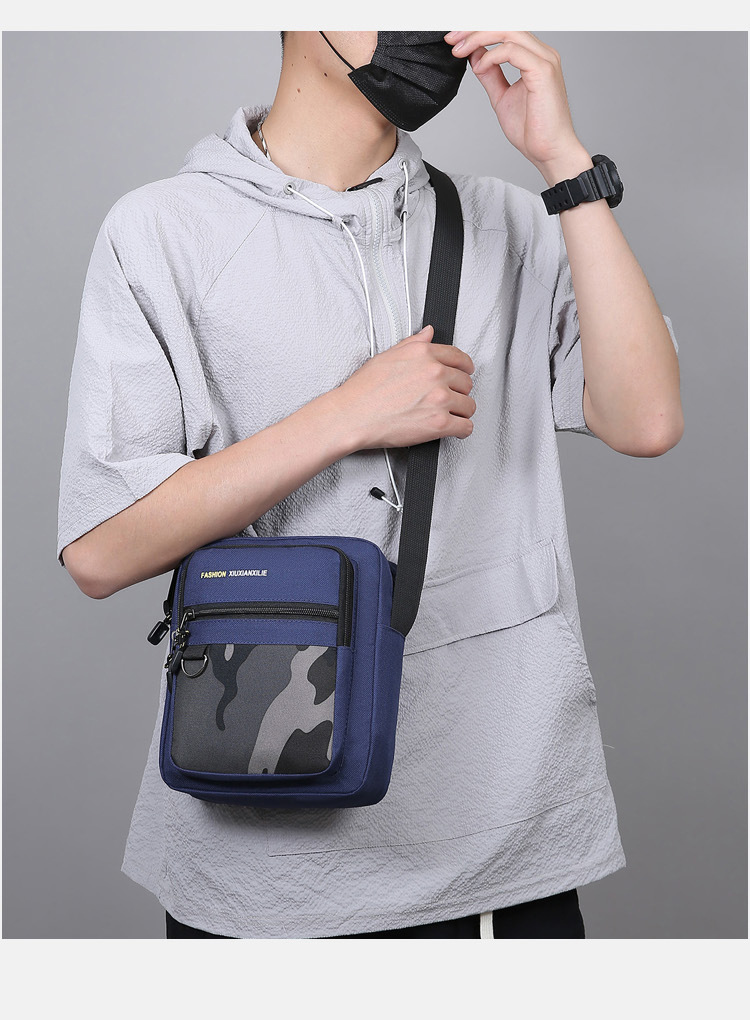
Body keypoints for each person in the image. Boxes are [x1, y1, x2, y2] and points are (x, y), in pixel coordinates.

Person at [56, 30, 683, 939]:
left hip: (502, 838)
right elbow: (100, 549)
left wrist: (564, 163)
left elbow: (647, 421)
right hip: (260, 854)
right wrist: (346, 415)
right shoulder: (162, 231)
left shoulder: (511, 220)